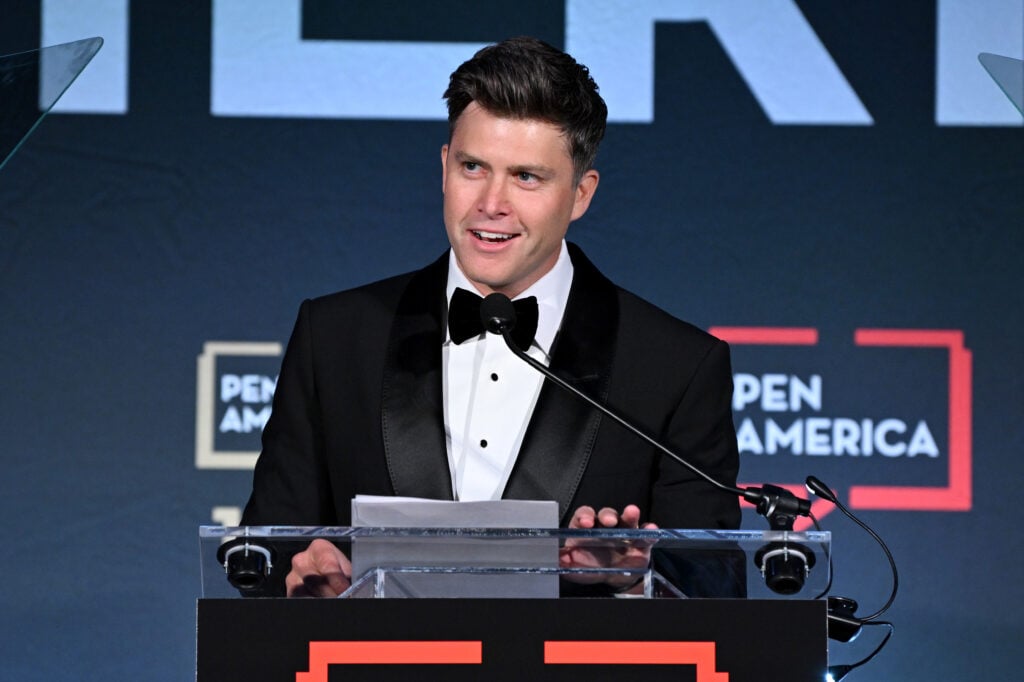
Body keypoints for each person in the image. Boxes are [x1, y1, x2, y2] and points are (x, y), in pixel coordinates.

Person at [241, 36, 740, 597]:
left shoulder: (675, 365)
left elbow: (714, 588)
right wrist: (304, 583)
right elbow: (263, 552)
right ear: (444, 166)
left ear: (580, 194)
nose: (491, 203)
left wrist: (632, 580)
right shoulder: (334, 337)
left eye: (527, 177)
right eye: (473, 167)